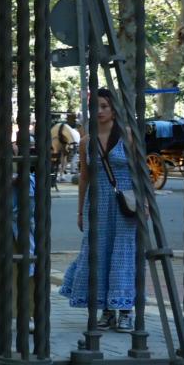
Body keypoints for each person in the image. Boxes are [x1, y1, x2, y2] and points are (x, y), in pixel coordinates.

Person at [61, 88, 138, 331]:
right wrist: (81, 211)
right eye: (96, 107)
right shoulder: (86, 141)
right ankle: (106, 310)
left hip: (125, 202)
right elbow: (84, 178)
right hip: (97, 202)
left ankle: (126, 310)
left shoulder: (127, 135)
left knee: (123, 253)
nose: (100, 111)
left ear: (114, 109)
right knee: (99, 253)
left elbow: (139, 172)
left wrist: (144, 202)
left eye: (104, 106)